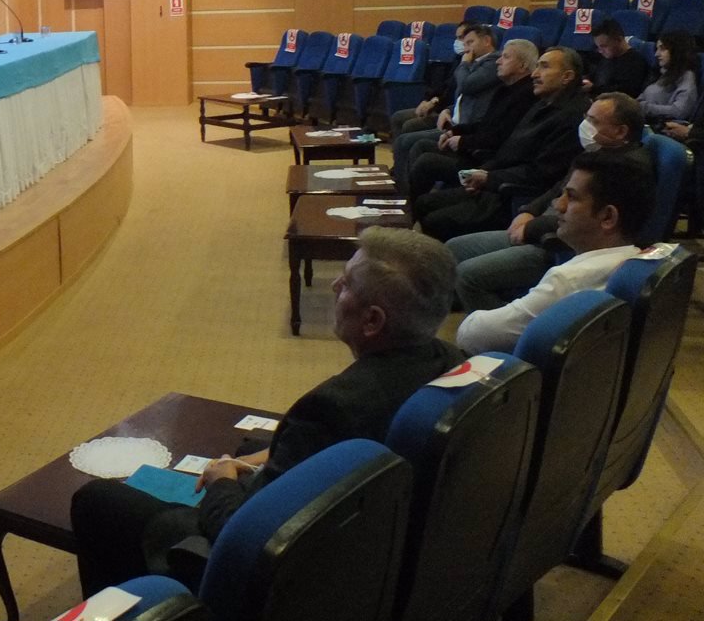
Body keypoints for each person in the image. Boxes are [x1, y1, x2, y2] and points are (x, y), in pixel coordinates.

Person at [69, 228, 463, 596]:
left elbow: (243, 534)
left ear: (372, 320)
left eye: (345, 284)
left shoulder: (332, 407)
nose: (334, 287)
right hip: (372, 539)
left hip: (284, 578)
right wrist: (260, 460)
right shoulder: (452, 360)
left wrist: (222, 482)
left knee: (98, 501)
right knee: (248, 448)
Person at [448, 93, 649, 312]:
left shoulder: (625, 170)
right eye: (586, 117)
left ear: (620, 131)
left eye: (593, 121)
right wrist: (528, 211)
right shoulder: (597, 153)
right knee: (454, 248)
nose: (585, 125)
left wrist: (531, 228)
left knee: (469, 276)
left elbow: (586, 221)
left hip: (558, 243)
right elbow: (558, 189)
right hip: (540, 227)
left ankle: (504, 327)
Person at [455, 149, 656, 354]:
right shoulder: (641, 262)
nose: (558, 205)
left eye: (571, 197)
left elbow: (474, 335)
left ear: (608, 217)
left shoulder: (567, 280)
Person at [412, 47, 590, 242]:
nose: (535, 74)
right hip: (494, 181)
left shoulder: (571, 118)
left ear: (567, 77)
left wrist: (489, 178)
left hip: (511, 197)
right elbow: (508, 151)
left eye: (544, 67)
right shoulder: (542, 103)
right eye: (537, 66)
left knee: (434, 219)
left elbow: (541, 174)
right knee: (423, 203)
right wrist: (483, 173)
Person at [406, 38, 537, 202]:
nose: (498, 61)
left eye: (506, 57)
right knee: (421, 145)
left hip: (487, 163)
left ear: (522, 66)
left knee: (426, 162)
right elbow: (485, 125)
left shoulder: (526, 96)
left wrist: (463, 141)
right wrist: (454, 131)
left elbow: (501, 138)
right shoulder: (505, 90)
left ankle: (407, 207)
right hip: (476, 148)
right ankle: (403, 200)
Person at [392, 24, 500, 184]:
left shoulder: (492, 63)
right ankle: (401, 183)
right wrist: (447, 110)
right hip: (452, 119)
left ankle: (405, 190)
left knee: (409, 141)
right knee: (403, 135)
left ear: (486, 41)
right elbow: (460, 97)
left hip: (466, 128)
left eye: (470, 42)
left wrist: (464, 64)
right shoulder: (473, 62)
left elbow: (466, 86)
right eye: (464, 43)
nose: (466, 48)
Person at [638, 31, 700, 128]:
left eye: (662, 49)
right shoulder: (662, 73)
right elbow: (642, 99)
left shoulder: (687, 76)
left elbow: (680, 111)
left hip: (659, 127)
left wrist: (644, 107)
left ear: (677, 51)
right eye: (657, 49)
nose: (656, 54)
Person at [582, 19, 649, 98]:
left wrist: (593, 88)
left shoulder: (635, 62)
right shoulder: (607, 57)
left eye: (604, 46)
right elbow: (596, 77)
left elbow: (625, 92)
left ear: (619, 39)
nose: (600, 51)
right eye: (598, 47)